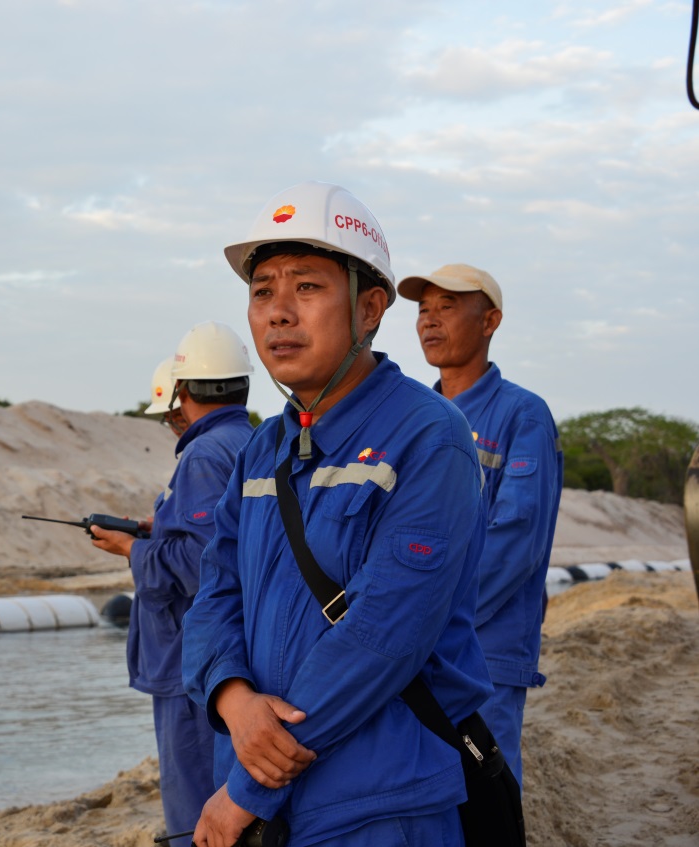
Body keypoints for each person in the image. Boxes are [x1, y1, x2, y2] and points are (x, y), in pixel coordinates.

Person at [182, 181, 494, 847]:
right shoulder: (263, 448)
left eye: (307, 287)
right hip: (264, 798)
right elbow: (215, 593)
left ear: (369, 307)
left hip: (377, 805)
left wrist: (247, 788)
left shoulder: (428, 436)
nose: (278, 313)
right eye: (262, 291)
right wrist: (232, 697)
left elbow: (383, 633)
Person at [398, 263, 563, 786]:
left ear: (490, 321)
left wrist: (433, 614)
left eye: (447, 307)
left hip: (484, 651)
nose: (429, 320)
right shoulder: (413, 417)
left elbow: (517, 541)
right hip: (411, 643)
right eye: (423, 309)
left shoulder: (523, 415)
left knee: (486, 797)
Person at [90, 322, 255, 839]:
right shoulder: (250, 440)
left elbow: (203, 561)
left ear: (182, 392)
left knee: (194, 804)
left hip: (192, 659)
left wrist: (131, 549)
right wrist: (156, 527)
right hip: (231, 651)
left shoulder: (204, 454)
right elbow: (226, 537)